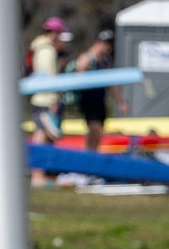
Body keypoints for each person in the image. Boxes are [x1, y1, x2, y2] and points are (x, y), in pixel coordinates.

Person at [71, 29, 128, 152]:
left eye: (111, 44)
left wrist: (120, 101)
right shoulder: (86, 58)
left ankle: (92, 155)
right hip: (88, 100)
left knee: (99, 131)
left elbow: (110, 84)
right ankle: (87, 156)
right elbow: (77, 78)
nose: (109, 47)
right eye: (106, 43)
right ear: (98, 42)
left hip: (100, 100)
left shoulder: (105, 61)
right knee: (94, 128)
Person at [28, 16, 68, 187]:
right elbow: (49, 77)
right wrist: (53, 99)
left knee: (46, 136)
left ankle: (45, 174)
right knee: (42, 136)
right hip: (45, 99)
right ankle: (38, 175)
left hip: (40, 97)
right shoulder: (47, 51)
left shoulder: (38, 48)